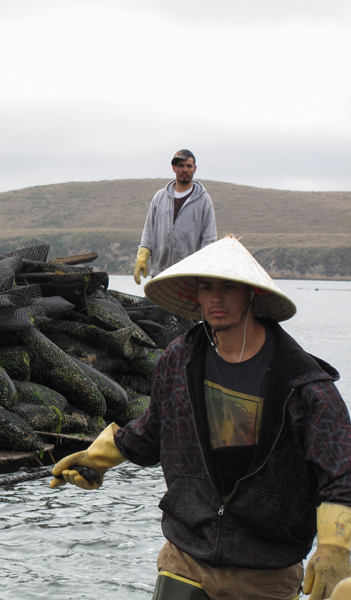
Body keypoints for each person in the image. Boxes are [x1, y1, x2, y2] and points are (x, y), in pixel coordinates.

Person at [52, 235, 351, 599]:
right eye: (207, 287)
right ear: (195, 295)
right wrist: (97, 458)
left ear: (252, 294)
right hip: (187, 553)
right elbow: (153, 431)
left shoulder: (303, 385)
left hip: (267, 568)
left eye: (228, 287)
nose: (216, 298)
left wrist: (335, 547)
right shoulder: (179, 359)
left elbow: (341, 472)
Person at [133, 149, 217, 285]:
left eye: (189, 166)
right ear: (174, 168)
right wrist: (142, 256)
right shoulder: (159, 198)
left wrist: (204, 274)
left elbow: (209, 240)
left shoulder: (204, 201)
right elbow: (148, 232)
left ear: (194, 169)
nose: (185, 169)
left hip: (188, 277)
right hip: (159, 275)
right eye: (181, 166)